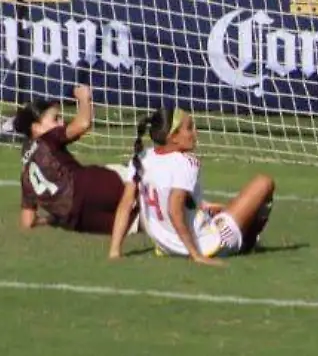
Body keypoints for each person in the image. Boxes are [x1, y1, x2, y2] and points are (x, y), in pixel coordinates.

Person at [110, 108, 275, 264]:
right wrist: (196, 255)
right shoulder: (186, 162)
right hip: (207, 245)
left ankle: (217, 222)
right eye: (189, 128)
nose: (196, 133)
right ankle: (248, 242)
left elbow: (126, 205)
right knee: (264, 183)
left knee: (219, 209)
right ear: (173, 137)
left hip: (165, 246)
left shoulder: (141, 158)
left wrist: (115, 251)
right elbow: (174, 211)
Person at [15, 84, 132, 236]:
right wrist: (84, 98)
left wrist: (51, 219)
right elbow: (83, 124)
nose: (61, 123)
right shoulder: (46, 139)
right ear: (36, 127)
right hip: (86, 187)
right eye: (55, 119)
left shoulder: (26, 175)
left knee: (131, 223)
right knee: (136, 179)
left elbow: (27, 221)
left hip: (74, 219)